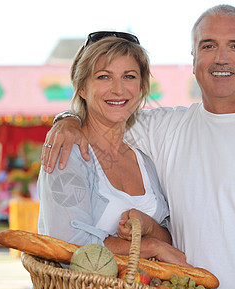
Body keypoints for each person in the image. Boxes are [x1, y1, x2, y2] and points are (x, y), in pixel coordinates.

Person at [41, 5, 235, 289]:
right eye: (208, 46)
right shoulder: (163, 128)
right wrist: (68, 121)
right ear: (193, 59)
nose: (221, 58)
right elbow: (104, 115)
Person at [37, 32, 190, 265]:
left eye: (129, 76)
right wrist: (149, 246)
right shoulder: (68, 151)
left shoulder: (143, 159)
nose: (118, 89)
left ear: (141, 88)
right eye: (104, 77)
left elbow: (170, 238)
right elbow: (68, 246)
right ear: (81, 88)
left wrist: (150, 228)